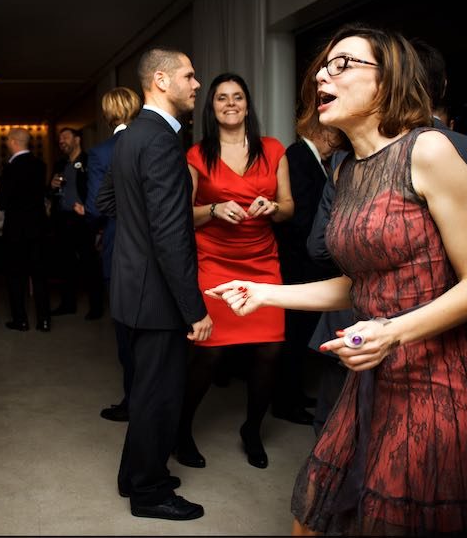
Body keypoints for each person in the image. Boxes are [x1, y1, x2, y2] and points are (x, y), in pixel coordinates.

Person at [208, 24, 467, 535]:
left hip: (434, 380)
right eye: (323, 67)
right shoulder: (346, 171)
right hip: (370, 370)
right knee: (313, 514)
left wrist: (391, 331)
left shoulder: (429, 151)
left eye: (343, 64)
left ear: (387, 81)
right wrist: (263, 293)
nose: (324, 75)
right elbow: (361, 285)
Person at [95, 47, 212, 521]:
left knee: (145, 390)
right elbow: (170, 234)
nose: (196, 83)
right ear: (161, 81)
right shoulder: (161, 140)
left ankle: (132, 474)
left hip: (132, 286)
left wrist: (140, 233)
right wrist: (194, 308)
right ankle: (149, 491)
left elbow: (107, 200)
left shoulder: (130, 136)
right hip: (158, 293)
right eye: (189, 74)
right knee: (159, 395)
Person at [176, 73, 294, 471]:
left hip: (263, 262)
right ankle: (181, 428)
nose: (230, 103)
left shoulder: (274, 149)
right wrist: (212, 210)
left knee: (271, 351)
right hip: (215, 263)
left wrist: (273, 207)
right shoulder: (196, 155)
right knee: (210, 354)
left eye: (238, 97)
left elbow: (290, 206)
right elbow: (183, 215)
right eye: (222, 98)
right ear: (212, 107)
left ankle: (252, 429)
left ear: (247, 104)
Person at [270, 127, 338, 426]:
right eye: (335, 136)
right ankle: (285, 402)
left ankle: (294, 394)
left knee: (299, 337)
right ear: (323, 134)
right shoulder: (298, 157)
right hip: (299, 265)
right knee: (293, 337)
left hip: (307, 265)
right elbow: (299, 217)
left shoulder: (314, 160)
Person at [87, 86, 141, 422]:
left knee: (125, 334)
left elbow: (96, 206)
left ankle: (133, 402)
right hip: (153, 247)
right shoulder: (153, 143)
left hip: (119, 245)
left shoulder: (102, 152)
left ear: (108, 115)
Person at [0, 128, 51, 332]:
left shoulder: (11, 167)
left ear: (14, 141)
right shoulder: (40, 165)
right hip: (38, 228)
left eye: (7, 140)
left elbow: (4, 203)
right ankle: (44, 321)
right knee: (40, 276)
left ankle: (21, 320)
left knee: (16, 276)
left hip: (16, 231)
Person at [49, 127, 103, 319]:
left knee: (89, 264)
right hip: (63, 219)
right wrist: (52, 186)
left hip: (82, 218)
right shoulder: (60, 164)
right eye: (60, 138)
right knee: (65, 263)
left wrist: (89, 209)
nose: (61, 141)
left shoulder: (89, 161)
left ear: (77, 139)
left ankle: (96, 307)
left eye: (65, 137)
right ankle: (67, 304)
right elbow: (52, 193)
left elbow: (99, 190)